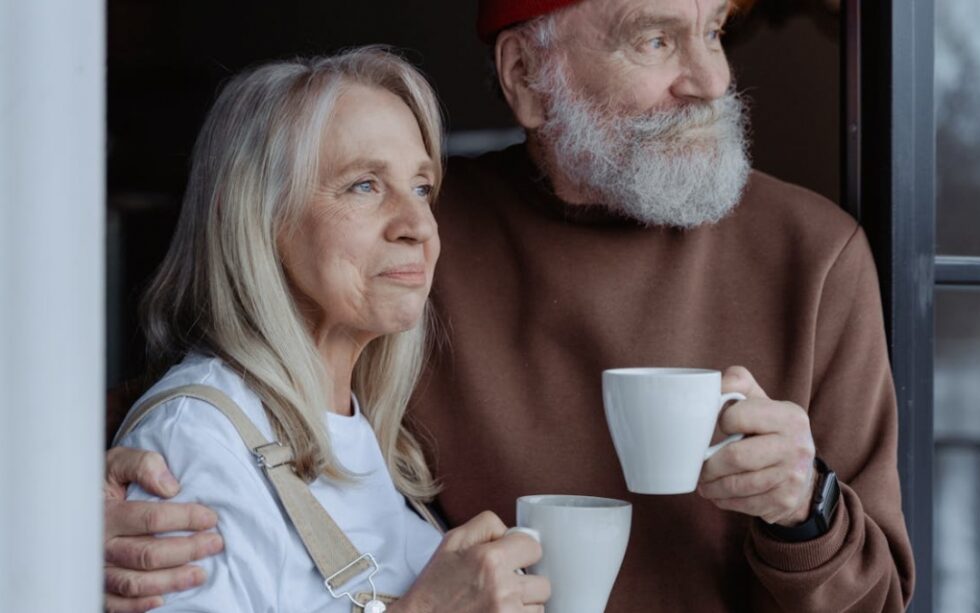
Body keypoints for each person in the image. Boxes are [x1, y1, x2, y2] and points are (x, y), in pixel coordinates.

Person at [104, 1, 916, 611]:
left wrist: (804, 509)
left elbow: (880, 599)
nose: (711, 80)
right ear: (527, 76)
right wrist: (69, 507)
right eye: (657, 38)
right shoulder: (410, 250)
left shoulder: (815, 254)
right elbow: (217, 401)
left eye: (713, 32)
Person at [105, 47, 550, 612]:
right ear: (257, 216)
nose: (419, 225)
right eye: (364, 185)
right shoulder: (194, 441)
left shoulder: (365, 432)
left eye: (420, 186)